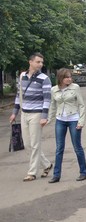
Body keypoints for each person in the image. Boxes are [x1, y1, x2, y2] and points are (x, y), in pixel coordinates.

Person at [10, 53, 53, 181]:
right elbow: (19, 96)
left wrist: (44, 116)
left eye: (42, 62)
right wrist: (14, 113)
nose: (40, 64)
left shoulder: (44, 78)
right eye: (38, 62)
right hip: (24, 113)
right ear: (30, 62)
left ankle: (32, 172)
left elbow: (47, 99)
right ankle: (46, 164)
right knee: (28, 144)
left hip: (37, 114)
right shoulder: (22, 76)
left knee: (35, 144)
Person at [47, 68, 86, 183]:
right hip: (60, 120)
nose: (69, 79)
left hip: (74, 119)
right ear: (60, 78)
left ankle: (83, 172)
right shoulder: (54, 90)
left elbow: (81, 105)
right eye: (67, 77)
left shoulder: (75, 88)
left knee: (77, 147)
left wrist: (81, 121)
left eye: (70, 77)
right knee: (59, 148)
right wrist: (49, 119)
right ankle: (56, 175)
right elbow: (53, 106)